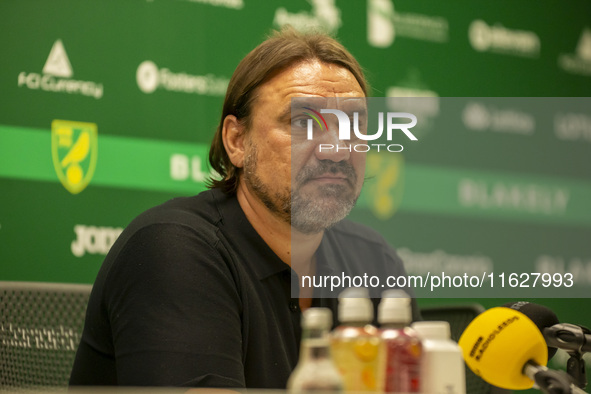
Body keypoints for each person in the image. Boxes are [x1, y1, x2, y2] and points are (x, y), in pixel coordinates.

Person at [69, 27, 418, 389]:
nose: (337, 149)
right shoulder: (175, 252)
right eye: (302, 123)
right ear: (236, 140)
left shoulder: (374, 261)